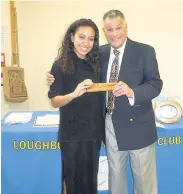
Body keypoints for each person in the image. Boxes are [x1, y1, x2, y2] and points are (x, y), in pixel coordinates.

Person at [47, 10, 163, 194]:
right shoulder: (99, 53)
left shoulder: (145, 51)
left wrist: (132, 91)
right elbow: (74, 68)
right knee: (115, 180)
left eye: (118, 28)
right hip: (110, 125)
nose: (115, 33)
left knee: (144, 183)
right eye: (110, 29)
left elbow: (155, 85)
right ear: (105, 30)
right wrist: (53, 77)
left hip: (138, 126)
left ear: (126, 27)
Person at [48, 18, 105, 194]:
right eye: (81, 37)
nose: (86, 43)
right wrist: (74, 94)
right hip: (71, 133)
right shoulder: (60, 65)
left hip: (94, 132)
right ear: (72, 37)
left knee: (90, 181)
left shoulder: (97, 63)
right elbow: (54, 100)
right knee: (71, 180)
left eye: (91, 38)